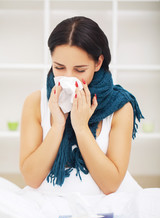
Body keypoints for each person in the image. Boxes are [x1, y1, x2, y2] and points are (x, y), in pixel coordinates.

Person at [20, 16, 143, 195]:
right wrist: (58, 126)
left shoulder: (120, 107)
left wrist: (81, 128)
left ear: (98, 63)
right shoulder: (35, 102)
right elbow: (31, 178)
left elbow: (111, 185)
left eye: (79, 70)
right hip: (47, 205)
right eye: (59, 67)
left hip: (104, 209)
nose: (69, 77)